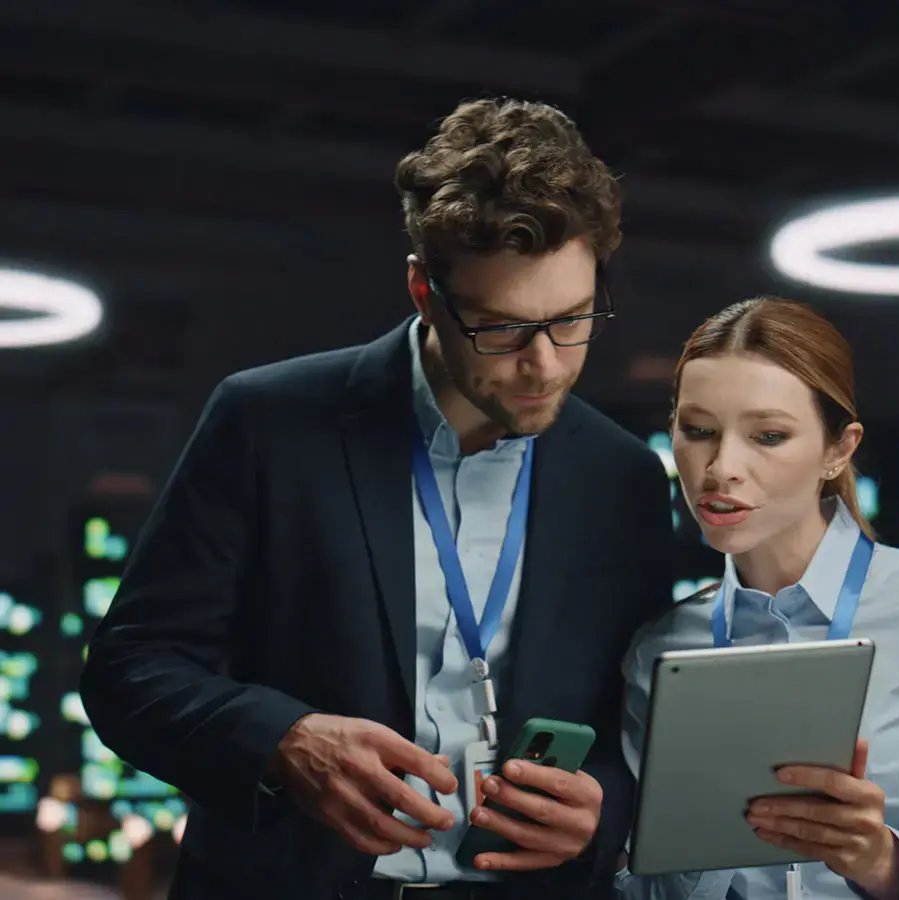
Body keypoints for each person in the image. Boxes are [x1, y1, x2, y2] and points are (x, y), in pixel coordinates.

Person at [80, 98, 674, 900]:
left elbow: (635, 727)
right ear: (424, 292)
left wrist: (604, 807)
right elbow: (129, 669)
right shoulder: (268, 422)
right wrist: (283, 741)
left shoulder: (624, 478)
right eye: (501, 330)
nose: (544, 365)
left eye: (571, 320)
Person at [618, 298, 899, 899]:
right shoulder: (662, 648)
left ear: (839, 450)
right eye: (699, 430)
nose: (722, 467)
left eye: (768, 436)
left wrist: (880, 859)